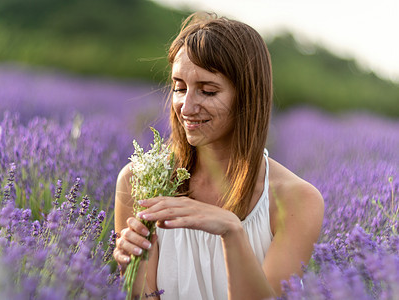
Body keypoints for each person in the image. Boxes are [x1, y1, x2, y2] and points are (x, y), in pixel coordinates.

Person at [113, 12, 324, 300]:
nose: (186, 107)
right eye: (179, 87)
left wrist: (232, 232)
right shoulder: (137, 181)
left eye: (208, 91)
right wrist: (134, 276)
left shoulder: (296, 200)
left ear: (247, 97)